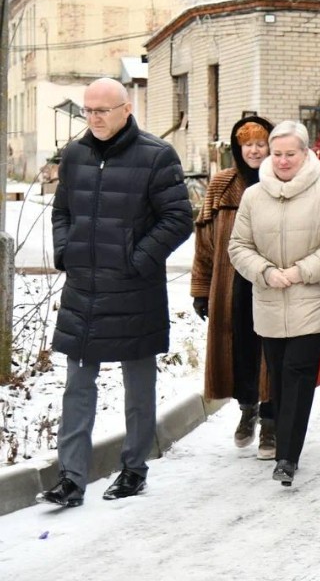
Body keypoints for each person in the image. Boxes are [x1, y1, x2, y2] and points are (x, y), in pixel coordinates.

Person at [37, 78, 193, 508]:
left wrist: (135, 260)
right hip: (83, 289)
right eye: (88, 110)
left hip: (133, 289)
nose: (94, 118)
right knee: (78, 383)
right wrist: (66, 251)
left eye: (102, 110)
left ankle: (134, 468)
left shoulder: (157, 155)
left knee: (137, 384)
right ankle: (71, 477)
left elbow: (178, 219)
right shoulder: (75, 154)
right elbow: (62, 210)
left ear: (126, 108)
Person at [229, 121, 320, 486]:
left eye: (291, 154)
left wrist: (302, 271)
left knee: (299, 373)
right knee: (279, 373)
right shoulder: (254, 196)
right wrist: (266, 272)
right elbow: (238, 246)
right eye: (278, 154)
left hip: (313, 297)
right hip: (269, 296)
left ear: (306, 154)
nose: (284, 161)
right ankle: (285, 445)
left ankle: (287, 455)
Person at [191, 115, 277, 459]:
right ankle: (248, 410)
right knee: (240, 349)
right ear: (238, 149)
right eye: (248, 145)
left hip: (271, 282)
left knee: (270, 353)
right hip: (231, 284)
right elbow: (205, 241)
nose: (255, 151)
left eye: (261, 143)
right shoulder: (222, 185)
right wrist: (201, 288)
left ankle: (271, 422)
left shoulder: (279, 180)